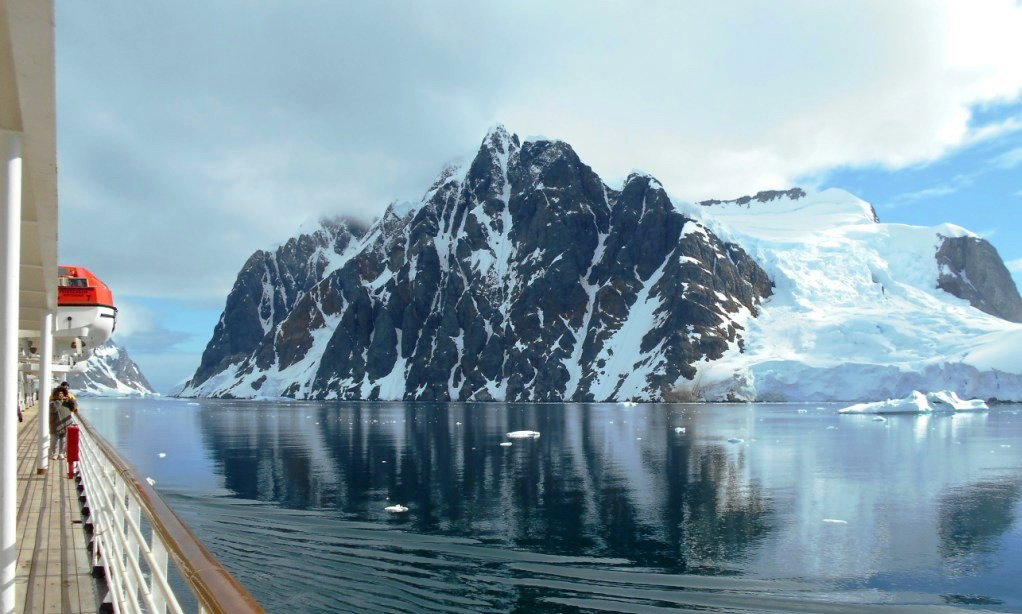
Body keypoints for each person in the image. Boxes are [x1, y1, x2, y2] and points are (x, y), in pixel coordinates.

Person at [49, 388, 73, 460]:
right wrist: (59, 401)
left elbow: (73, 407)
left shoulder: (67, 402)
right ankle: (53, 454)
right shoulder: (52, 403)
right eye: (59, 394)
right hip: (56, 425)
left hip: (65, 424)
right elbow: (54, 409)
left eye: (62, 394)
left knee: (63, 440)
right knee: (54, 441)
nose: (61, 395)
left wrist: (70, 400)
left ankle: (61, 453)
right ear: (55, 395)